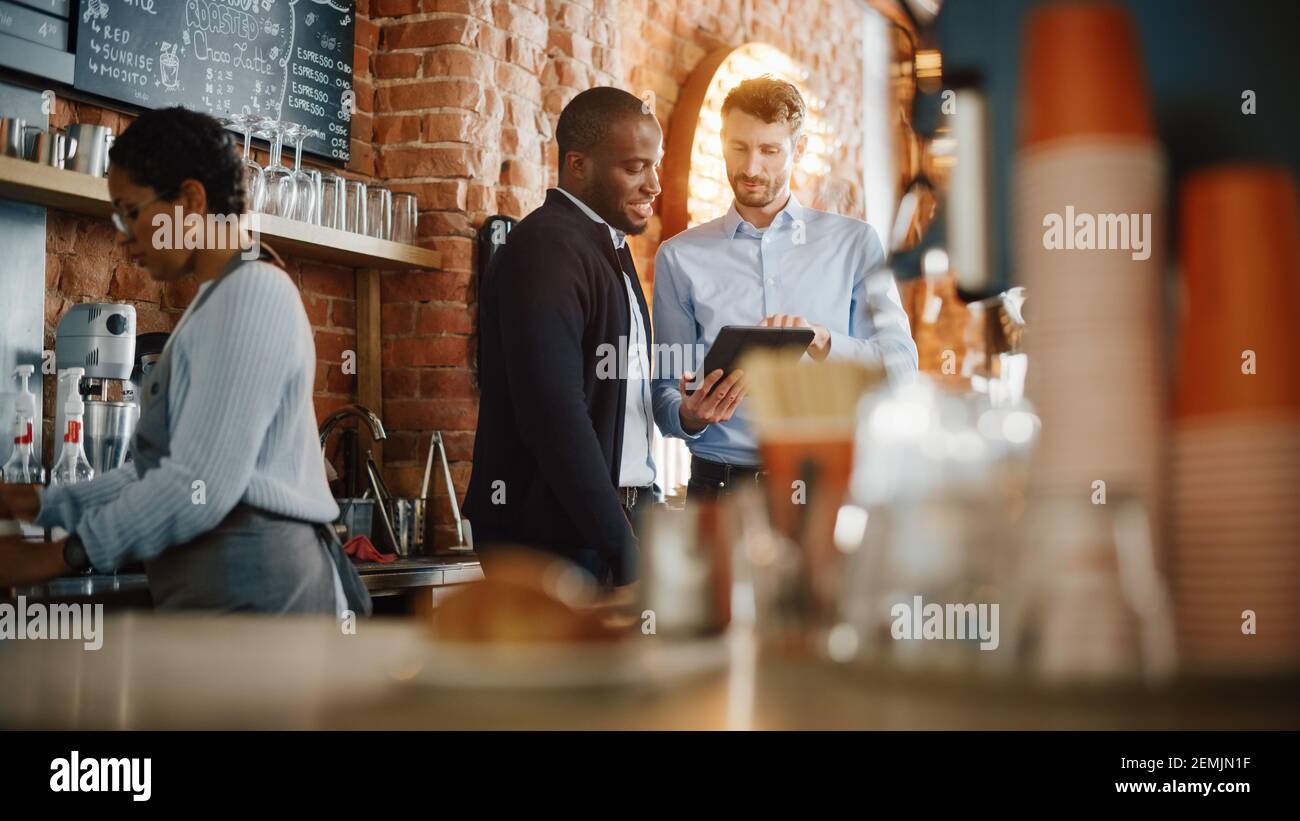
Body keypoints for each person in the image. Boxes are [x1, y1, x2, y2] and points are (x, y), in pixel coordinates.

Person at [0, 107, 368, 615]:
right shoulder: (215, 302)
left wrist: (63, 554)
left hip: (261, 597)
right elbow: (159, 473)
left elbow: (201, 486)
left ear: (190, 200)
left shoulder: (252, 294)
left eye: (131, 212)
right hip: (224, 595)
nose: (124, 236)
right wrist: (44, 505)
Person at [463, 87, 743, 588]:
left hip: (610, 524)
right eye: (635, 167)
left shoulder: (607, 246)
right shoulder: (547, 247)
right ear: (578, 165)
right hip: (554, 538)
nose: (654, 184)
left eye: (655, 166)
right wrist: (621, 546)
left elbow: (616, 402)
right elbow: (553, 414)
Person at [652, 77, 919, 500]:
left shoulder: (855, 243)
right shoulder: (679, 256)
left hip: (827, 484)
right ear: (721, 140)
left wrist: (825, 341)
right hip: (719, 489)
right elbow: (664, 389)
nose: (751, 168)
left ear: (801, 148)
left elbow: (902, 365)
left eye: (770, 150)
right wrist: (689, 415)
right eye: (738, 147)